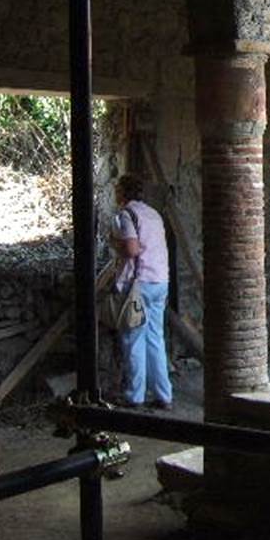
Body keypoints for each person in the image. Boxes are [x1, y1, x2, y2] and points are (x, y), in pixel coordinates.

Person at [110, 173, 173, 410]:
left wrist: (114, 244)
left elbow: (132, 249)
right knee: (155, 338)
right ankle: (163, 394)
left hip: (139, 285)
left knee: (133, 339)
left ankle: (134, 396)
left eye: (117, 190)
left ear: (123, 193)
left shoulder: (128, 215)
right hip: (160, 282)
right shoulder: (153, 214)